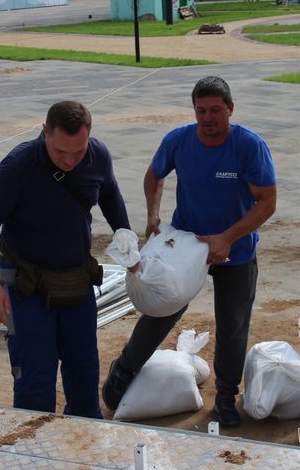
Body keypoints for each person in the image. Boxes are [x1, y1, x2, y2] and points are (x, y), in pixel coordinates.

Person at [102, 76, 277, 427]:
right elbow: (154, 176)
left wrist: (226, 238)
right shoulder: (179, 140)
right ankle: (125, 369)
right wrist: (153, 214)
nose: (208, 117)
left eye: (216, 110)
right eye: (201, 111)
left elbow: (267, 202)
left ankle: (226, 395)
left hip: (234, 249)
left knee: (233, 323)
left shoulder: (248, 146)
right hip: (185, 245)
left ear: (230, 108)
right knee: (161, 308)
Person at [0, 101, 130, 419]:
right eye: (60, 152)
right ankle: (33, 451)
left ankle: (84, 442)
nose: (70, 161)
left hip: (74, 280)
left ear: (90, 136)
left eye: (78, 151)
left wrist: (122, 229)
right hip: (22, 284)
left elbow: (109, 192)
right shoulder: (19, 165)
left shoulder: (98, 155)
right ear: (45, 133)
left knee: (84, 370)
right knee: (33, 375)